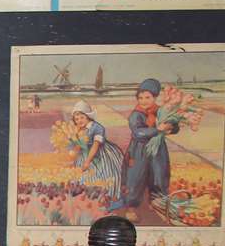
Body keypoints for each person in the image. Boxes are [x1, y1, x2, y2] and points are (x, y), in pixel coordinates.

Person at [109, 77, 178, 214]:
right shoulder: (136, 114)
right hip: (138, 151)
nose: (143, 101)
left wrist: (171, 127)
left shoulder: (161, 111)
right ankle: (131, 208)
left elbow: (174, 125)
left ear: (155, 97)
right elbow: (138, 132)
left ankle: (157, 203)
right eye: (140, 98)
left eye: (147, 97)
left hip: (157, 150)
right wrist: (158, 130)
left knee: (159, 175)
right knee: (135, 178)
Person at [69, 100, 123, 200]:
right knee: (82, 176)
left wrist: (87, 161)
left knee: (103, 174)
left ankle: (105, 196)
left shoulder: (97, 128)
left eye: (82, 117)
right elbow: (77, 145)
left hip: (99, 154)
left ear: (88, 117)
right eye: (76, 119)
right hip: (84, 154)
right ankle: (86, 195)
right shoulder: (78, 129)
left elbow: (95, 145)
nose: (79, 121)